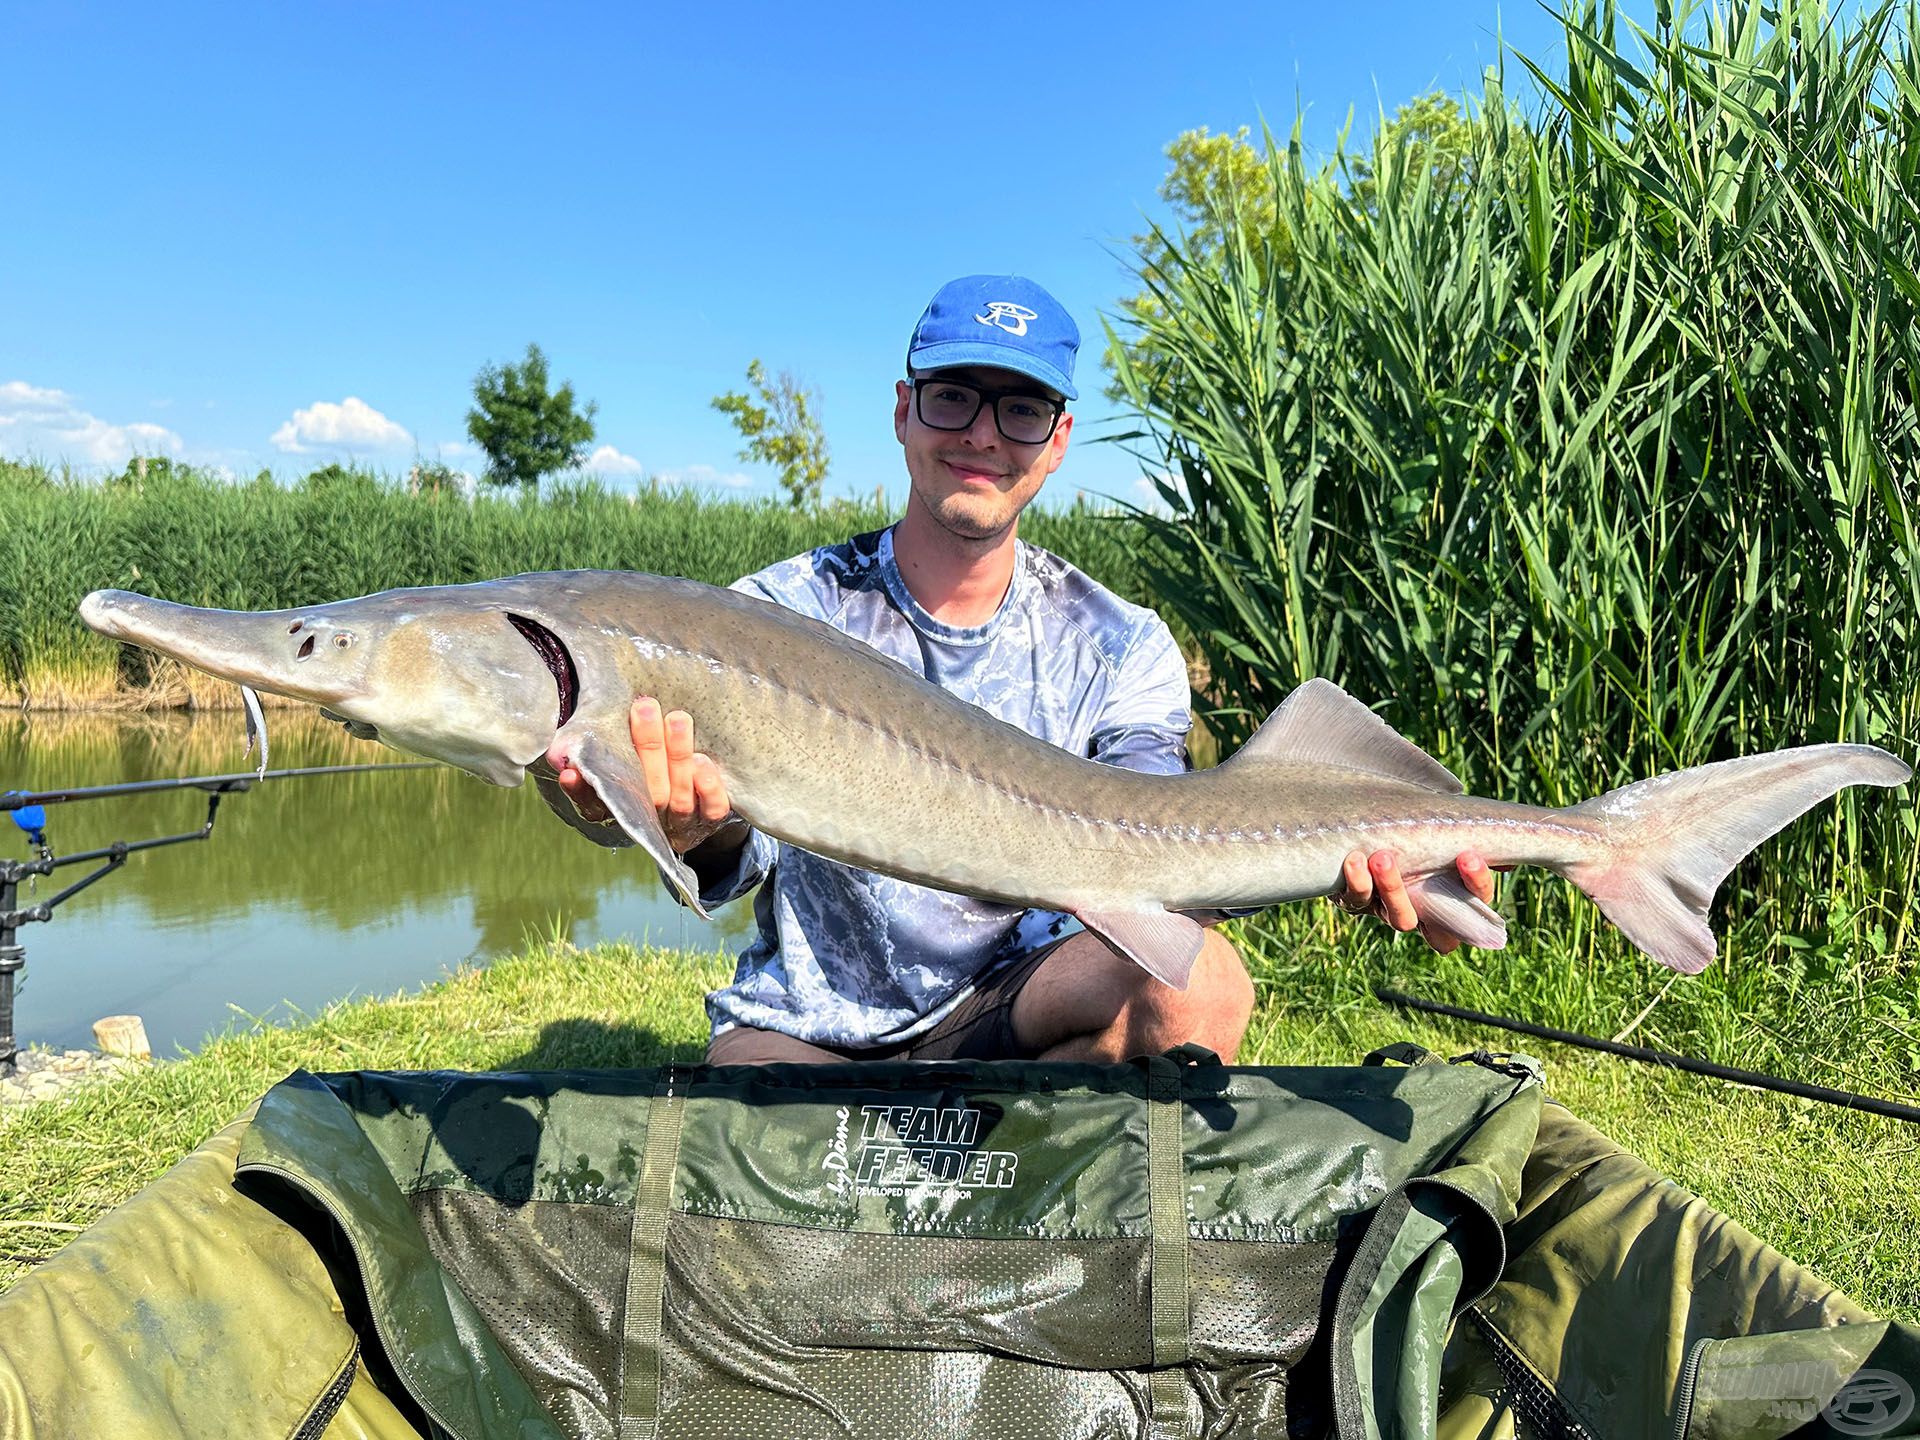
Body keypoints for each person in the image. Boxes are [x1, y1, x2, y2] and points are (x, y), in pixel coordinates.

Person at [555, 275, 1498, 1065]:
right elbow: (734, 855)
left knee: (1200, 985)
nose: (982, 435)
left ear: (1057, 442)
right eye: (953, 395)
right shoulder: (775, 615)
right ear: (903, 411)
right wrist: (678, 826)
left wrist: (1345, 856)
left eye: (1021, 408)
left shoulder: (1120, 643)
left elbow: (1151, 845)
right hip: (819, 1021)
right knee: (756, 1162)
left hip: (1022, 999)